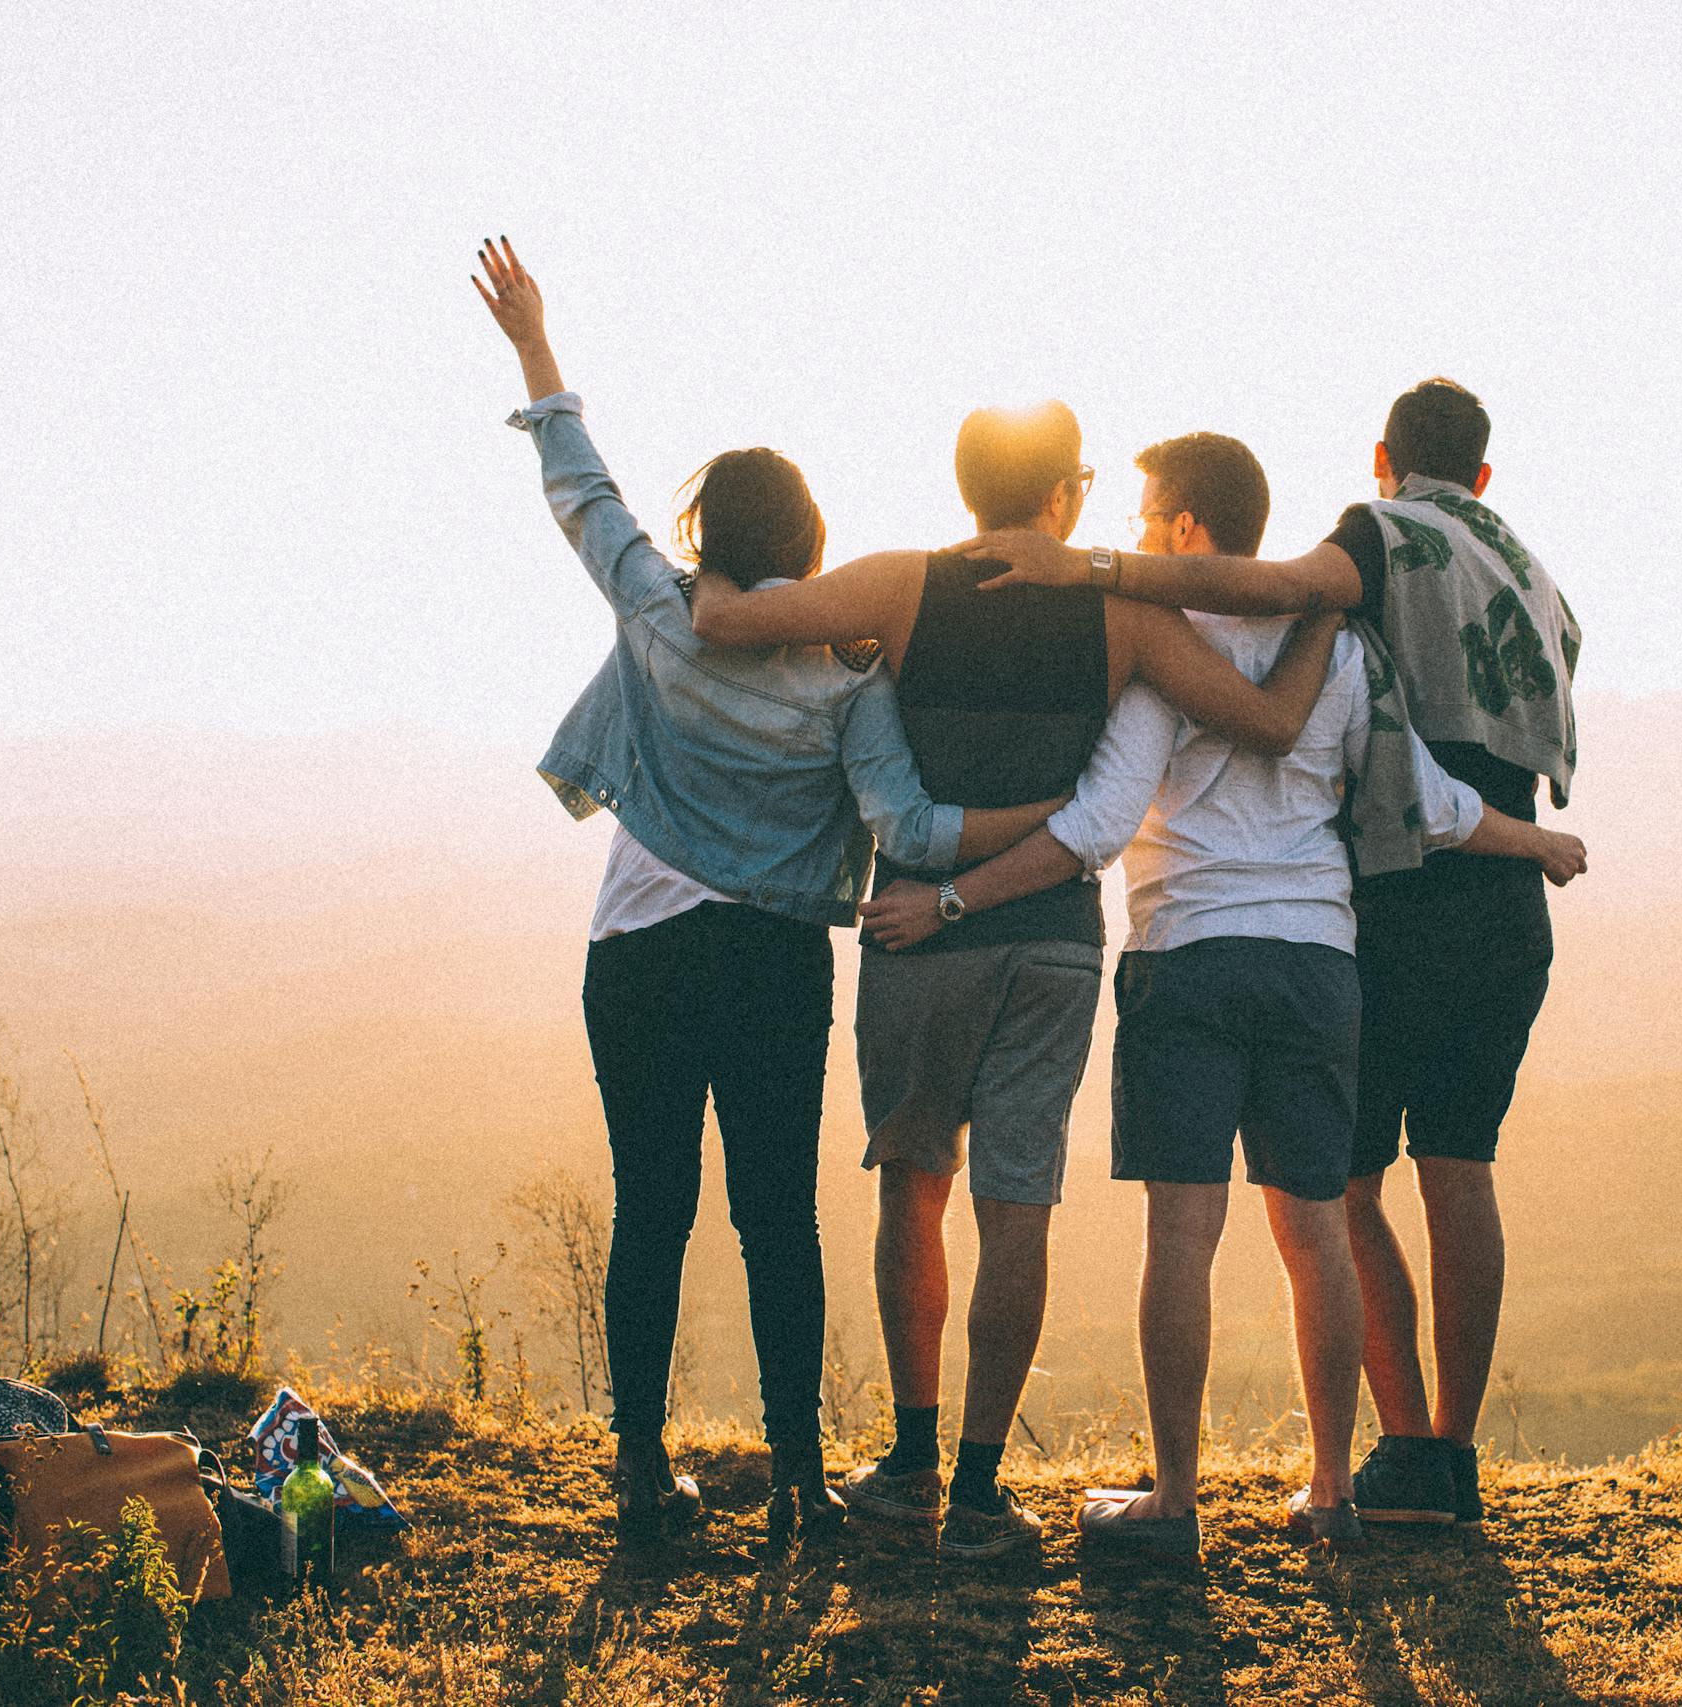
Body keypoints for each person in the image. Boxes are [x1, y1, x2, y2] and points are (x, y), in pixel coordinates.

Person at [860, 433, 1585, 1561]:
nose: (1140, 536)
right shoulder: (1335, 651)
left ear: (1190, 529)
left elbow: (1096, 828)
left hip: (1188, 957)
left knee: (1181, 1236)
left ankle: (1176, 1502)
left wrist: (950, 899)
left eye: (1152, 517)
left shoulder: (1163, 654)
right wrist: (1535, 840)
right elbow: (1428, 799)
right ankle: (1333, 1491)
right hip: (1318, 964)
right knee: (1315, 1233)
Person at [473, 238, 1067, 1551]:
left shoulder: (660, 610)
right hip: (776, 963)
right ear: (810, 543)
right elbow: (907, 824)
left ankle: (640, 1469)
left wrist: (533, 342)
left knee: (651, 1206)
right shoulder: (846, 673)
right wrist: (1062, 818)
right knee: (776, 1216)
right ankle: (798, 1476)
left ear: (705, 535)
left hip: (636, 945)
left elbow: (582, 490)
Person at [690, 407, 1339, 1560]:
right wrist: (1329, 606)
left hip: (913, 938)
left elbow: (736, 619)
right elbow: (1267, 723)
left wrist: (707, 570)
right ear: (1061, 501)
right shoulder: (1121, 614)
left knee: (912, 1183)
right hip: (1050, 940)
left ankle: (908, 1463)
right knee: (1016, 1204)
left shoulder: (897, 587)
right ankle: (983, 1492)